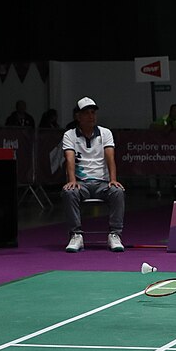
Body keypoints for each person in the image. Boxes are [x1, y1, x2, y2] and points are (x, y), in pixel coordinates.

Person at [61, 96, 125, 253]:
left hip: (102, 183)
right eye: (87, 113)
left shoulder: (105, 133)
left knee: (117, 191)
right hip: (81, 183)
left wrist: (113, 180)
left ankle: (115, 234)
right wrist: (72, 180)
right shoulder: (69, 135)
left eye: (93, 113)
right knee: (69, 192)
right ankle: (76, 235)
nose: (91, 116)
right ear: (78, 116)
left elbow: (110, 158)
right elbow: (69, 159)